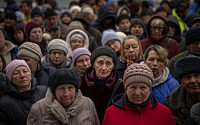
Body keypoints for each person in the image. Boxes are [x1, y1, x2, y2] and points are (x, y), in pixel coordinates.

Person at [102, 63, 176, 125]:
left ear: (150, 89)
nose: (137, 93)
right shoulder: (111, 113)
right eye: (133, 87)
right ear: (125, 89)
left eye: (143, 88)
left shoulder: (164, 113)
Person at [27, 68, 100, 125]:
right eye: (61, 89)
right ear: (54, 91)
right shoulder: (38, 108)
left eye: (70, 88)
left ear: (76, 90)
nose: (66, 94)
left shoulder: (88, 104)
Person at [80, 46, 125, 122]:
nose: (104, 68)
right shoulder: (81, 82)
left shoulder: (120, 86)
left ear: (113, 66)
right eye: (100, 63)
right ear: (93, 64)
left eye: (108, 63)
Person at [0, 60, 47, 125]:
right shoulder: (4, 103)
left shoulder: (44, 91)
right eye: (16, 73)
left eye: (25, 71)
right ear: (10, 79)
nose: (22, 75)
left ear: (30, 74)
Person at [165, 56, 200, 125]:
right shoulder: (172, 101)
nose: (192, 81)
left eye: (196, 76)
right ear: (181, 81)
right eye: (187, 78)